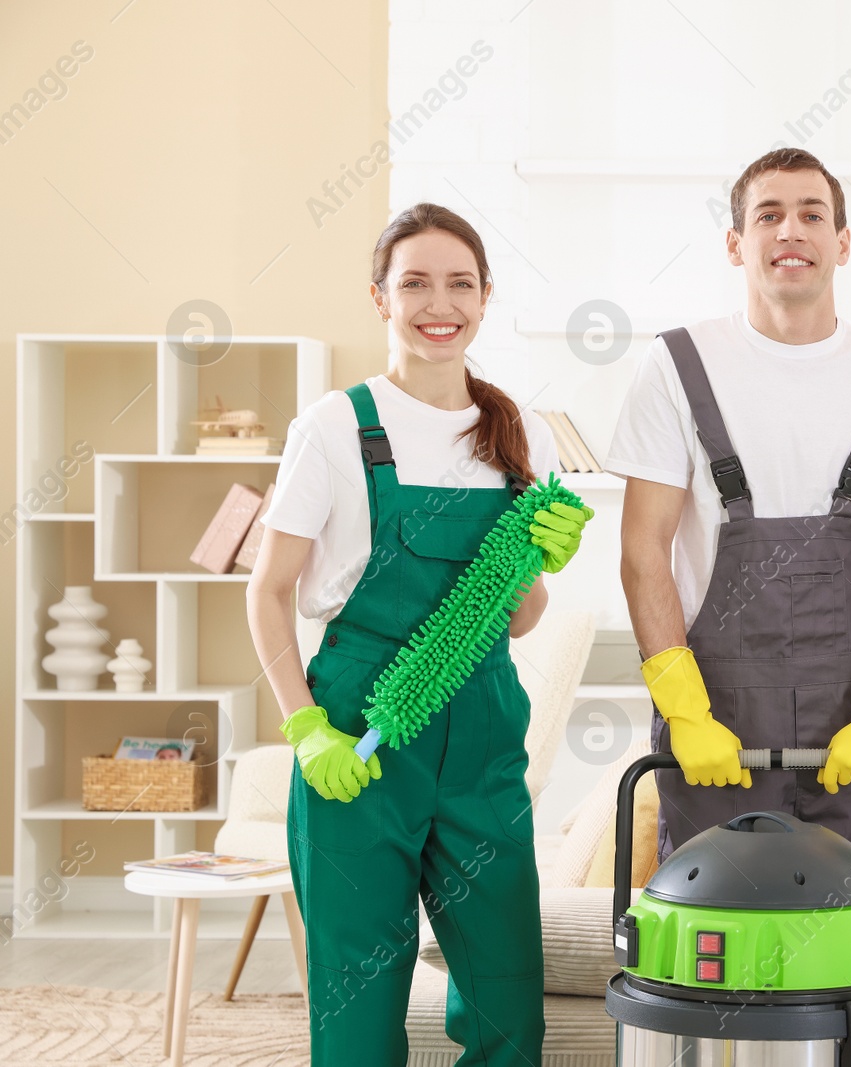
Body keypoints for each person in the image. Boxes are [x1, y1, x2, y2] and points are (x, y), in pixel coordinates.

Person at [245, 203, 590, 1065]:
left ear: (485, 298)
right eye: (416, 283)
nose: (441, 303)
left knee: (508, 999)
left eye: (461, 283)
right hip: (358, 725)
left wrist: (542, 560)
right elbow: (268, 589)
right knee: (358, 1002)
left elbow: (521, 617)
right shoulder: (335, 426)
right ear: (379, 298)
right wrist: (302, 724)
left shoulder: (521, 434)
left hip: (482, 725)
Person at [609, 148, 851, 888]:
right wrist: (685, 711)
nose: (790, 230)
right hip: (715, 715)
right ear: (736, 243)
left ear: (843, 241)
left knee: (845, 947)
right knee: (712, 936)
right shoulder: (675, 365)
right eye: (768, 214)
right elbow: (644, 549)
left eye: (812, 213)